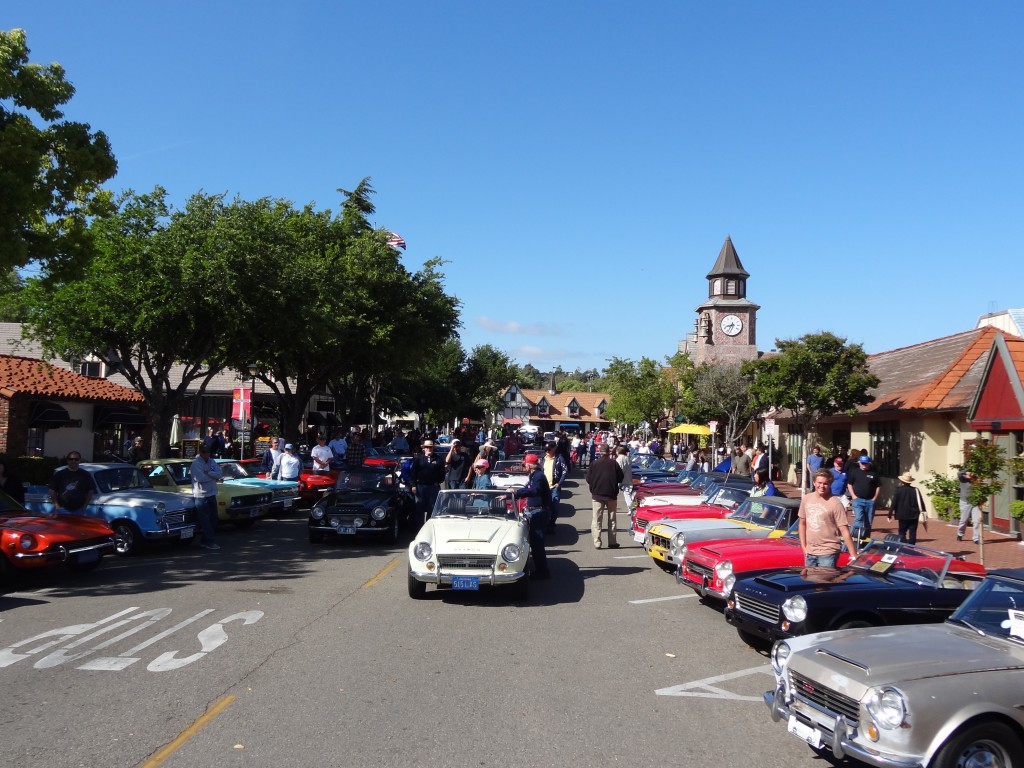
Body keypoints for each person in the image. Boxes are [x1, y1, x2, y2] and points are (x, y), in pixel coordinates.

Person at [799, 469, 857, 567]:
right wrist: (804, 547)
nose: (822, 486)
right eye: (819, 483)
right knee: (809, 581)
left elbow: (844, 530)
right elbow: (802, 523)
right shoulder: (806, 499)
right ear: (814, 482)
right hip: (810, 552)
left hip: (828, 552)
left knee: (823, 581)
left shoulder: (835, 503)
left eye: (825, 483)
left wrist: (853, 555)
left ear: (830, 484)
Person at [514, 453, 551, 579]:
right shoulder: (534, 476)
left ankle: (542, 571)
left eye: (525, 465)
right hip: (534, 510)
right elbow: (528, 488)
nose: (524, 467)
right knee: (535, 543)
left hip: (539, 511)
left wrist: (517, 492)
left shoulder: (539, 476)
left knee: (537, 543)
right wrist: (515, 493)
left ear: (530, 465)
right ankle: (540, 569)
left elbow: (535, 491)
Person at [587, 444, 623, 549]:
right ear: (609, 451)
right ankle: (612, 542)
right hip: (611, 495)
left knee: (596, 519)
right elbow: (621, 477)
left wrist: (594, 486)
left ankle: (597, 541)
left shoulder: (595, 463)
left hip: (597, 495)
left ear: (599, 451)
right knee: (612, 519)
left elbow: (588, 479)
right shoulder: (614, 463)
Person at [190, 443, 223, 550]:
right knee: (205, 520)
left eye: (208, 452)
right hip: (201, 495)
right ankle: (210, 541)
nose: (207, 454)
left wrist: (209, 473)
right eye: (204, 452)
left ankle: (204, 540)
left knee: (214, 518)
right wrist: (213, 476)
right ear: (201, 452)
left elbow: (220, 473)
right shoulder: (196, 463)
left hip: (212, 493)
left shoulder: (212, 461)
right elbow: (200, 478)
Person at [847, 454, 881, 543]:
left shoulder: (873, 473)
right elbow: (849, 484)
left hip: (870, 501)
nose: (864, 465)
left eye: (866, 463)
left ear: (869, 464)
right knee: (858, 518)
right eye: (862, 463)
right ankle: (855, 539)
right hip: (858, 500)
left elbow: (878, 486)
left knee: (868, 523)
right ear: (859, 463)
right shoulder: (854, 472)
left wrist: (874, 498)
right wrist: (853, 496)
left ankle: (865, 541)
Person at [410, 440, 444, 525]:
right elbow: (413, 473)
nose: (429, 449)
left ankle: (430, 526)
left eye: (430, 447)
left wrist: (438, 482)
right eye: (427, 447)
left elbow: (442, 474)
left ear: (433, 448)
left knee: (432, 508)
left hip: (433, 487)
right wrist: (413, 486)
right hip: (421, 487)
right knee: (419, 507)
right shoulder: (418, 460)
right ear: (424, 448)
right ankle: (419, 528)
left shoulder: (439, 459)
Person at [889, 471, 926, 544]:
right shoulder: (916, 490)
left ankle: (902, 546)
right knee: (913, 532)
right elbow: (921, 502)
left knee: (902, 532)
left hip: (902, 515)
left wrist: (889, 514)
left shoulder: (898, 490)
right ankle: (912, 547)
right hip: (914, 514)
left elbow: (894, 503)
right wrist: (924, 512)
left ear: (902, 481)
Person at [543, 442, 568, 533]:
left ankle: (552, 524)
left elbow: (565, 471)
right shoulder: (543, 459)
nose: (547, 451)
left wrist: (559, 483)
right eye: (545, 450)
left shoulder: (559, 459)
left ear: (554, 449)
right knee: (544, 507)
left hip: (554, 487)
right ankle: (545, 524)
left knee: (555, 507)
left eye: (549, 449)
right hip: (544, 488)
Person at [956, 468, 981, 543]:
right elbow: (959, 473)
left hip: (974, 502)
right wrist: (967, 470)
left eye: (970, 474)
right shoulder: (963, 479)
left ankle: (976, 538)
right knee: (963, 520)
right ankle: (960, 534)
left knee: (976, 521)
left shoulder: (975, 480)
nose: (969, 475)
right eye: (967, 474)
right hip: (965, 502)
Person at [615, 445, 633, 510]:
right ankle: (630, 508)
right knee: (627, 493)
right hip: (628, 478)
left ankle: (631, 507)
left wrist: (617, 479)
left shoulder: (619, 459)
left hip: (622, 479)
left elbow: (620, 470)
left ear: (618, 452)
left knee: (626, 494)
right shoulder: (627, 458)